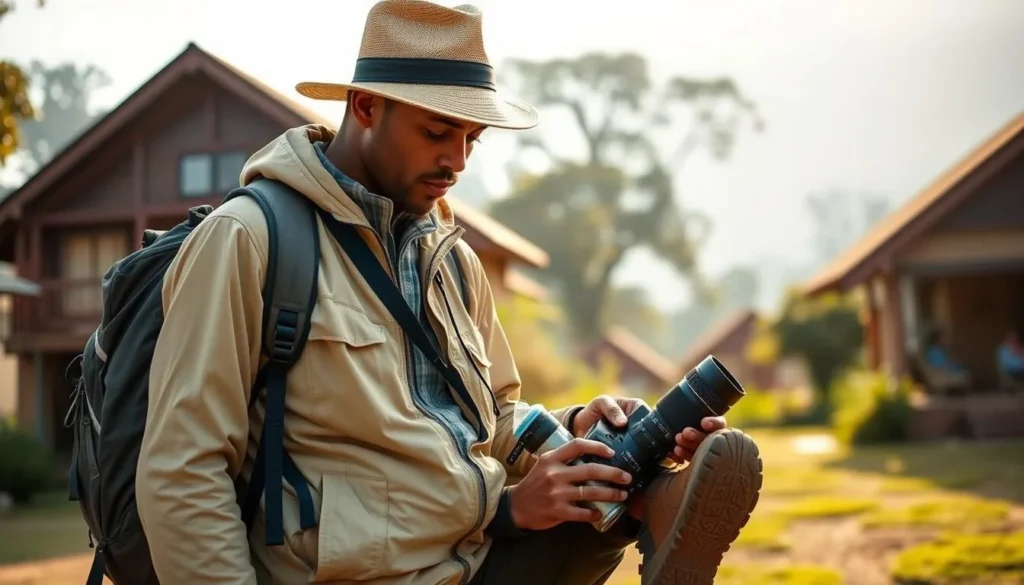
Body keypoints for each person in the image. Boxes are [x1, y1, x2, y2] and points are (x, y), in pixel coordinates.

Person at [135, 1, 762, 584]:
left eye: (470, 139)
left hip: (474, 555)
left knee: (600, 503)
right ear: (364, 106)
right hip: (348, 574)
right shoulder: (249, 240)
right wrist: (504, 507)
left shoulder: (453, 260)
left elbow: (486, 416)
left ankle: (653, 500)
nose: (457, 161)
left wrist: (576, 428)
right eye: (437, 132)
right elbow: (183, 472)